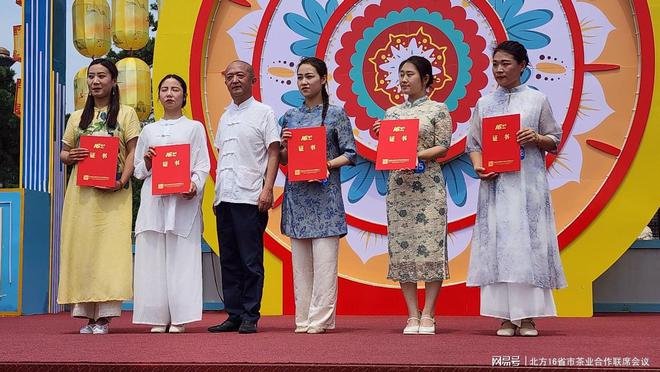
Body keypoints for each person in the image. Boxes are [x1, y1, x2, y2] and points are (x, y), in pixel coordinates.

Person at [466, 40, 567, 337]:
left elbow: (554, 139)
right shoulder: (484, 104)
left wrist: (536, 138)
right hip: (496, 186)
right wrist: (478, 166)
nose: (499, 70)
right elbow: (474, 145)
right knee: (499, 245)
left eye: (506, 64)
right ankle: (504, 317)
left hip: (528, 186)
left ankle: (528, 317)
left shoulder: (537, 100)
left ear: (523, 66)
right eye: (495, 64)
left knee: (526, 245)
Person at [57, 58, 140, 334]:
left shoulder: (127, 114)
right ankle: (86, 315)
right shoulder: (76, 116)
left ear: (113, 80)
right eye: (91, 76)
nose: (95, 81)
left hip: (113, 194)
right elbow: (63, 153)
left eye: (102, 76)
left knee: (109, 252)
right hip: (82, 195)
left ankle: (104, 316)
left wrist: (122, 181)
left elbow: (132, 152)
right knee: (84, 250)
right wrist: (72, 155)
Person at [372, 56, 452, 335]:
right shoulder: (392, 113)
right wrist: (381, 134)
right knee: (402, 247)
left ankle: (429, 313)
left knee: (431, 246)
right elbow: (388, 150)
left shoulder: (438, 109)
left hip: (428, 185)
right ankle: (411, 314)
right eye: (401, 74)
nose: (404, 80)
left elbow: (443, 146)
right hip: (399, 188)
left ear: (426, 79)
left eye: (410, 75)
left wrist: (412, 154)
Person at [279, 57, 357, 334]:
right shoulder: (290, 116)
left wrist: (326, 165)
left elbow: (350, 154)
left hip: (325, 198)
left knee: (324, 265)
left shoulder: (336, 114)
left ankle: (320, 319)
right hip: (298, 197)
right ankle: (303, 319)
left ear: (324, 79)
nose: (303, 82)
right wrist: (285, 146)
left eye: (309, 76)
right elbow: (285, 160)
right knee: (301, 268)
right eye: (300, 77)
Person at [132, 74, 210, 333]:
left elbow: (202, 165)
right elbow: (138, 171)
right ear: (159, 96)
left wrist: (194, 186)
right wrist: (148, 162)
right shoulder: (149, 130)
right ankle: (156, 317)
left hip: (182, 203)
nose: (169, 94)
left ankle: (180, 318)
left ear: (184, 96)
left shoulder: (194, 127)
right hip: (154, 202)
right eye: (164, 89)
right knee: (152, 258)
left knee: (182, 259)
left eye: (175, 89)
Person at [207, 60, 280, 334]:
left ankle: (251, 314)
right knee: (228, 259)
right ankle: (234, 314)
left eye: (240, 75)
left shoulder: (264, 112)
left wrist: (268, 188)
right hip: (224, 196)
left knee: (250, 260)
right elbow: (222, 157)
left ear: (252, 80)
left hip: (251, 196)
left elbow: (273, 152)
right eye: (229, 76)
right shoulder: (224, 116)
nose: (234, 80)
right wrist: (217, 195)